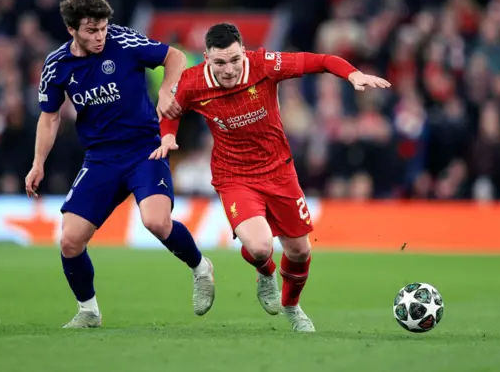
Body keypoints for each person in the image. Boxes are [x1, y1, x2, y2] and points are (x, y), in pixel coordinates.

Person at [151, 23, 390, 332]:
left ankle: (292, 306)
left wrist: (352, 74)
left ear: (243, 51)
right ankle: (266, 273)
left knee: (300, 251)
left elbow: (319, 60)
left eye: (235, 59)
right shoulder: (192, 82)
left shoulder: (264, 64)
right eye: (220, 62)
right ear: (207, 59)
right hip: (234, 174)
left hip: (279, 169)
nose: (229, 69)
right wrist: (168, 137)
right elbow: (171, 113)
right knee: (262, 247)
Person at [24, 0, 215, 328]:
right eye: (91, 31)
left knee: (156, 222)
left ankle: (201, 267)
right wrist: (38, 163)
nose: (100, 37)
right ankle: (89, 311)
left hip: (145, 149)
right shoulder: (56, 65)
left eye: (102, 28)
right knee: (70, 240)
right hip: (100, 159)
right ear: (72, 30)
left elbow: (174, 57)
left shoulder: (123, 41)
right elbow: (49, 117)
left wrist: (167, 91)